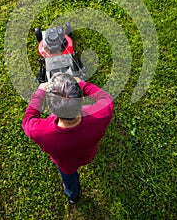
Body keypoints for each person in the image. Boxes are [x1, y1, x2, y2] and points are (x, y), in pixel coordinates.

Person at [22, 73, 114, 204]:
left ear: (49, 107)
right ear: (82, 100)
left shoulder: (40, 131)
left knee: (69, 178)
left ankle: (73, 196)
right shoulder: (101, 115)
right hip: (88, 155)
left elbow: (27, 119)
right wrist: (83, 84)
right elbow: (106, 98)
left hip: (66, 164)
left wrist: (40, 91)